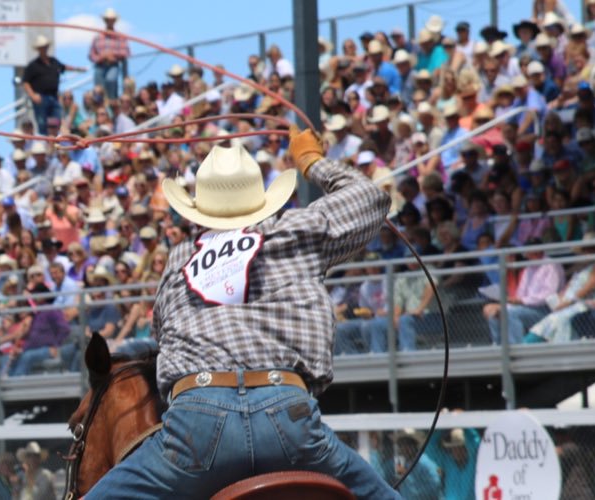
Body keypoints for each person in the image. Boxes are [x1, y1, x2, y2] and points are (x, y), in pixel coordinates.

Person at [86, 128, 395, 498]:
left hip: (196, 422)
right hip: (289, 417)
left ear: (199, 208)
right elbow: (371, 198)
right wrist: (311, 161)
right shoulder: (294, 231)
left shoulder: (181, 257)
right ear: (261, 199)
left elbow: (163, 332)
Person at [22, 35, 85, 135]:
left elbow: (64, 67)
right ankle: (47, 141)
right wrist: (33, 96)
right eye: (42, 47)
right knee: (42, 123)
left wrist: (77, 69)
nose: (44, 49)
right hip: (41, 98)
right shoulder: (33, 65)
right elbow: (25, 82)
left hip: (54, 97)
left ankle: (54, 140)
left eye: (45, 46)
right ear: (38, 49)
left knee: (56, 121)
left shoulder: (53, 61)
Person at [88, 8, 130, 99]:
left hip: (113, 65)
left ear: (114, 21)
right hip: (100, 66)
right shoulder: (98, 37)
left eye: (111, 20)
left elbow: (125, 52)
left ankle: (112, 101)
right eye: (108, 20)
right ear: (105, 21)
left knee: (111, 81)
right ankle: (100, 106)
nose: (110, 22)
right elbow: (91, 55)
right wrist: (101, 57)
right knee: (98, 89)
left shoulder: (121, 37)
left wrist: (112, 55)